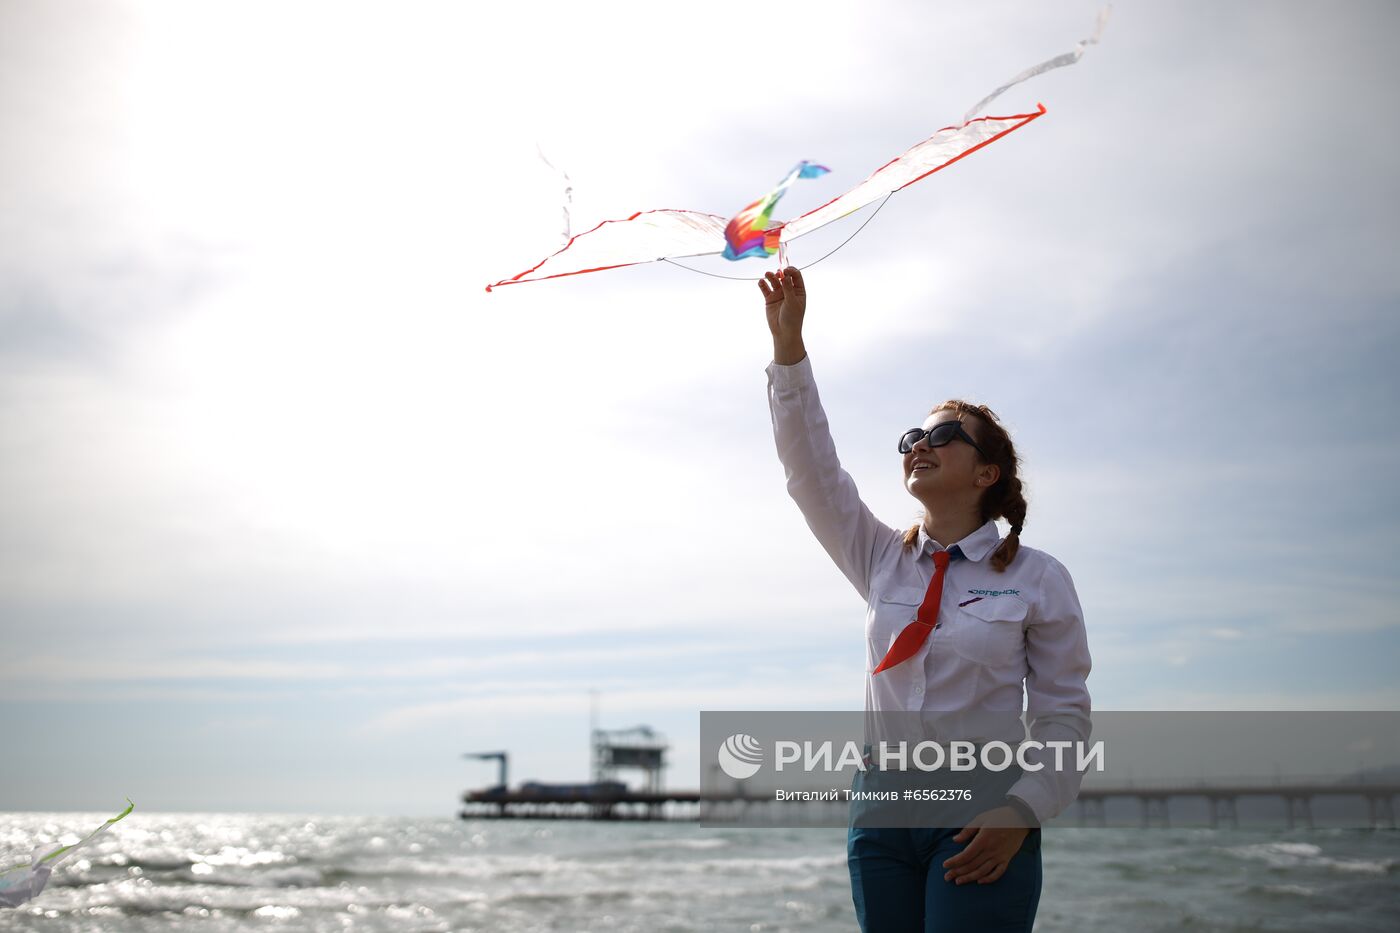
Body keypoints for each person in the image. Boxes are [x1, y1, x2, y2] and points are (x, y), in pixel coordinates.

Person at [760, 266, 1092, 933]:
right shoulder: (880, 556)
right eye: (913, 438)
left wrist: (1022, 809)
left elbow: (1063, 719)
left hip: (982, 804)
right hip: (881, 806)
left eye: (943, 436)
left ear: (987, 471)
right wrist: (789, 350)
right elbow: (810, 472)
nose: (921, 445)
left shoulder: (1039, 577)